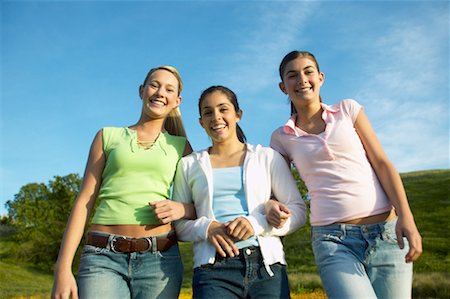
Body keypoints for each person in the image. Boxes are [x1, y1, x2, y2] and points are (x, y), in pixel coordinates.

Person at [269, 50, 423, 299]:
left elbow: (382, 163)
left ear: (320, 77)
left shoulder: (348, 110)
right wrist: (272, 205)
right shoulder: (281, 137)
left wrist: (407, 217)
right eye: (292, 75)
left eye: (308, 72)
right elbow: (278, 189)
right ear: (283, 87)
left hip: (386, 232)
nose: (302, 80)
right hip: (333, 241)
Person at [51, 66, 195, 299]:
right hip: (102, 257)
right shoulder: (107, 136)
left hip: (160, 260)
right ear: (141, 90)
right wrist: (63, 267)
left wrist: (182, 208)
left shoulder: (181, 147)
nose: (160, 92)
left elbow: (204, 201)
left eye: (169, 89)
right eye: (154, 85)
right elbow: (84, 201)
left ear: (177, 101)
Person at [172, 85, 307, 299]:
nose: (216, 117)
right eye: (208, 112)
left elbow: (298, 212)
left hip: (267, 268)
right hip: (212, 270)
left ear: (238, 115)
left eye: (223, 109)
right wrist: (207, 228)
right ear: (201, 122)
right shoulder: (188, 165)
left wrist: (256, 223)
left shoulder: (268, 157)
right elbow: (178, 227)